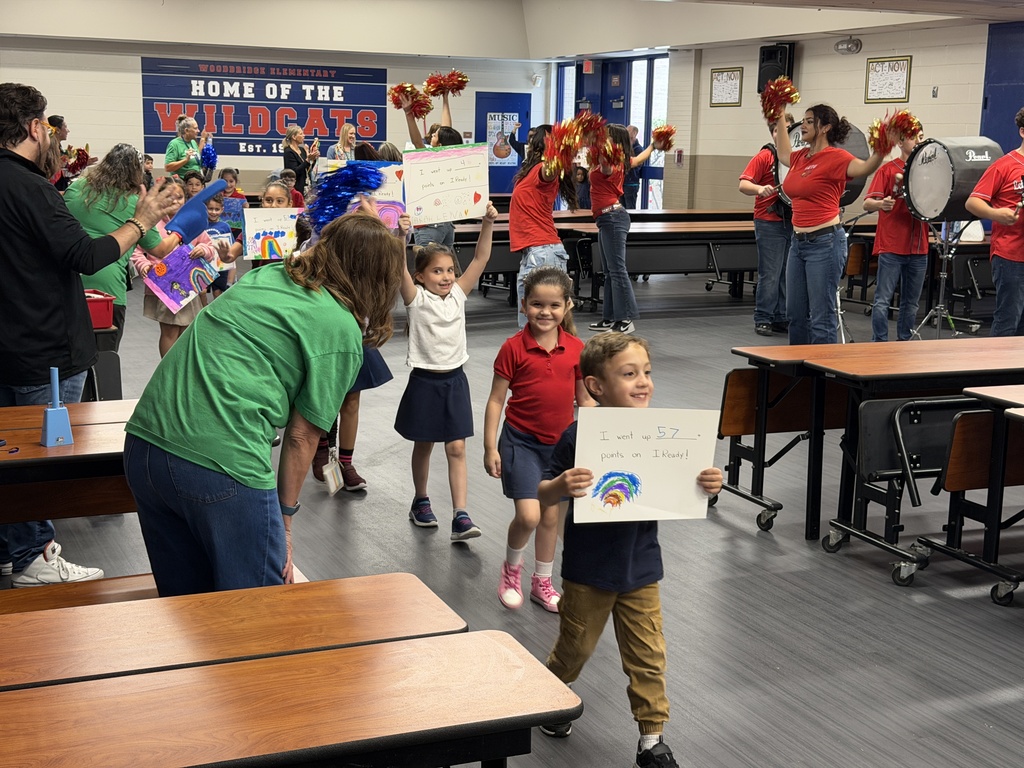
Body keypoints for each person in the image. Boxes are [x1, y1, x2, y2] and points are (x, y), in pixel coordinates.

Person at [123, 213, 404, 596]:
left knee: (185, 610)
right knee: (260, 608)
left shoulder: (266, 276)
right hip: (220, 460)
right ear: (379, 278)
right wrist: (284, 522)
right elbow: (303, 437)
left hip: (145, 443)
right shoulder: (340, 329)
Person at [0, 82, 178, 587]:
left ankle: (12, 548)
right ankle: (35, 556)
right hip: (43, 348)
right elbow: (87, 255)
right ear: (35, 128)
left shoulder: (49, 188)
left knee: (8, 451)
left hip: (9, 343)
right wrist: (140, 221)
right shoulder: (31, 188)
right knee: (42, 456)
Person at [537, 331, 723, 768]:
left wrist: (709, 488)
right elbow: (543, 493)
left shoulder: (666, 438)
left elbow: (689, 492)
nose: (643, 382)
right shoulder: (577, 437)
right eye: (629, 374)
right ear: (596, 386)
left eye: (646, 372)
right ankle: (548, 699)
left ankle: (652, 739)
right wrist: (561, 485)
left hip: (641, 568)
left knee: (648, 655)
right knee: (575, 650)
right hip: (589, 571)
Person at [484, 267, 595, 613]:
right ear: (523, 305)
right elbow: (495, 400)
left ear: (567, 307)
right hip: (521, 443)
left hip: (559, 448)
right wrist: (490, 446)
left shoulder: (577, 348)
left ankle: (542, 582)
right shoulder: (513, 348)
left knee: (550, 518)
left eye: (553, 305)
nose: (545, 312)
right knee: (530, 516)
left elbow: (586, 401)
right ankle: (511, 571)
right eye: (536, 304)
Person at [395, 200, 499, 541]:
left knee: (457, 449)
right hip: (425, 381)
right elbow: (398, 269)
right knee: (423, 446)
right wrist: (401, 235)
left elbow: (481, 258)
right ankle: (420, 500)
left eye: (450, 270)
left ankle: (461, 514)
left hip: (455, 381)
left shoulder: (458, 295)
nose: (446, 277)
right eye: (437, 271)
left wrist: (486, 223)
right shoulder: (416, 299)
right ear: (421, 276)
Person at [312, 204, 412, 492]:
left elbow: (395, 263)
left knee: (351, 402)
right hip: (330, 341)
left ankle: (346, 461)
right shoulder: (329, 262)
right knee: (327, 400)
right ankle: (321, 447)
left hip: (358, 339)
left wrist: (401, 235)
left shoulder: (373, 271)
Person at [775, 104, 890, 345]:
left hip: (824, 244)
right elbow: (783, 152)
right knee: (795, 314)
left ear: (825, 127)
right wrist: (777, 112)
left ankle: (823, 375)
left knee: (821, 316)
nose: (803, 126)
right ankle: (799, 371)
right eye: (803, 121)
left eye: (809, 121)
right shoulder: (799, 157)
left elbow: (865, 168)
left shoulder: (837, 157)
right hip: (798, 244)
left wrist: (881, 150)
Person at [66, 143, 187, 351]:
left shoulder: (76, 188)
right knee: (104, 362)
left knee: (70, 359)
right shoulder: (134, 203)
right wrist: (180, 232)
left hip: (68, 284)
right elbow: (159, 249)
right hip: (107, 289)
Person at [131, 178, 224, 357]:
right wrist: (144, 265)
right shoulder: (152, 223)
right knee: (170, 331)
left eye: (180, 197)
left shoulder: (192, 220)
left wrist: (203, 249)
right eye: (169, 197)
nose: (175, 201)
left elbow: (210, 246)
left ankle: (178, 368)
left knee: (186, 331)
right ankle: (167, 370)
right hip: (164, 287)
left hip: (189, 286)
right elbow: (137, 251)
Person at [865, 120, 929, 342]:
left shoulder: (928, 171)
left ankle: (905, 343)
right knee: (883, 300)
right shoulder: (887, 170)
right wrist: (881, 204)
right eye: (915, 137)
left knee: (911, 303)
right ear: (901, 142)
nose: (920, 141)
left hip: (919, 247)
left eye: (921, 136)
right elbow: (868, 203)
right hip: (892, 245)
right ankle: (879, 343)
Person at [589, 124, 655, 335]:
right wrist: (653, 146)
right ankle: (609, 318)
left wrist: (599, 147)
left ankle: (625, 319)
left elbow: (606, 167)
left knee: (617, 271)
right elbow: (638, 159)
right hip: (607, 219)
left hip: (612, 218)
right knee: (609, 272)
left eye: (605, 136)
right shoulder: (622, 160)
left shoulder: (609, 162)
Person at [509, 124, 579, 327]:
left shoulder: (543, 170)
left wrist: (560, 148)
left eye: (533, 138)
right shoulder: (530, 171)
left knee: (536, 324)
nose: (528, 142)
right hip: (537, 251)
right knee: (531, 322)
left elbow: (550, 169)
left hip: (542, 251)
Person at [965, 106, 1024, 337]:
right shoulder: (1004, 165)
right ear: (1022, 131)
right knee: (1008, 319)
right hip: (1010, 255)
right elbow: (973, 202)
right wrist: (998, 214)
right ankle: (994, 371)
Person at [739, 112, 795, 337]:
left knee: (785, 273)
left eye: (789, 130)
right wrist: (760, 189)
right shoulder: (765, 156)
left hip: (790, 221)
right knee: (770, 273)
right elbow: (743, 184)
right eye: (780, 130)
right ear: (773, 132)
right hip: (768, 221)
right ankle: (763, 317)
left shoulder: (795, 158)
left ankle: (781, 316)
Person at [399, 90, 463, 248]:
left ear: (440, 145)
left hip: (430, 225)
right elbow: (448, 130)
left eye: (435, 136)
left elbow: (417, 142)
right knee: (444, 268)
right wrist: (445, 98)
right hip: (447, 224)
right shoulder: (452, 158)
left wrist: (408, 113)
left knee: (428, 268)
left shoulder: (432, 160)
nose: (432, 135)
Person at [47, 114, 96, 192]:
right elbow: (59, 172)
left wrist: (83, 164)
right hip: (53, 190)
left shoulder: (58, 149)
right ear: (57, 130)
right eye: (65, 127)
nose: (68, 130)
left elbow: (66, 172)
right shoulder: (49, 149)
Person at [204, 192, 236, 298]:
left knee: (218, 292)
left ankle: (216, 312)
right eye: (210, 208)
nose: (213, 212)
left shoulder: (225, 226)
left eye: (217, 209)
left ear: (222, 209)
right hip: (204, 264)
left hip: (220, 265)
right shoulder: (201, 225)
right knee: (202, 291)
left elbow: (231, 248)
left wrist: (230, 280)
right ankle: (203, 310)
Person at [282, 124, 319, 195]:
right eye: (301, 134)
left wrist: (313, 159)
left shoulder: (302, 150)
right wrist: (308, 160)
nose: (304, 135)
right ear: (294, 137)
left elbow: (308, 169)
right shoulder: (288, 152)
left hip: (306, 185)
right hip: (296, 187)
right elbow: (294, 172)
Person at [622, 125, 645, 209]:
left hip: (631, 183)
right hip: (622, 183)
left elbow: (633, 165)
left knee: (630, 208)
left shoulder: (639, 149)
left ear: (634, 133)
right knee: (621, 209)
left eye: (628, 131)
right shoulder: (623, 147)